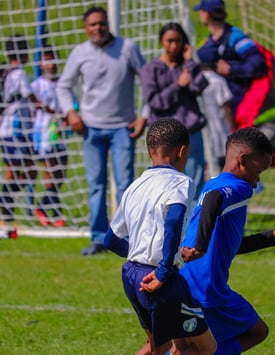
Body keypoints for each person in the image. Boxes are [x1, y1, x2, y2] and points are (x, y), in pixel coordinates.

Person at [179, 127, 275, 354]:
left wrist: (273, 237)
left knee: (189, 346)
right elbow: (214, 202)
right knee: (256, 332)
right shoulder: (239, 188)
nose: (258, 179)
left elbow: (230, 245)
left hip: (187, 280)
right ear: (243, 160)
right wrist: (200, 247)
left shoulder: (213, 184)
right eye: (260, 170)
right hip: (208, 289)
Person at [104, 117, 217, 355]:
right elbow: (174, 221)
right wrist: (164, 270)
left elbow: (111, 240)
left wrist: (141, 253)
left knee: (160, 347)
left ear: (149, 151)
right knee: (205, 347)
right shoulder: (181, 182)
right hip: (160, 278)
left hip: (132, 275)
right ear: (182, 151)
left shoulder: (134, 186)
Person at [57, 6, 148, 255]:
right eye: (93, 24)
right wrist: (70, 112)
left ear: (108, 24)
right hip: (91, 129)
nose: (98, 28)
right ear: (86, 28)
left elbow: (149, 82)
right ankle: (99, 238)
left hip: (123, 129)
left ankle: (127, 237)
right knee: (96, 186)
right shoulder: (79, 53)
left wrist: (144, 116)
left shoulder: (128, 48)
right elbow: (63, 87)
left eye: (101, 23)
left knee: (125, 185)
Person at [139, 22, 208, 202]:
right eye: (169, 41)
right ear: (161, 41)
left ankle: (193, 227)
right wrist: (178, 86)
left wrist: (190, 62)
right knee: (165, 184)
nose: (174, 46)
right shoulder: (151, 69)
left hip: (191, 132)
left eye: (178, 41)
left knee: (195, 182)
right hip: (165, 138)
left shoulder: (187, 67)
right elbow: (154, 102)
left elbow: (200, 86)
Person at [193, 0, 267, 117]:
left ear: (206, 14)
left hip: (240, 104)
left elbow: (259, 64)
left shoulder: (235, 37)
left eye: (201, 11)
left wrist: (231, 69)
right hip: (217, 105)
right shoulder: (208, 41)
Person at [0, 34, 42, 223]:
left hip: (7, 130)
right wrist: (48, 109)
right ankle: (5, 203)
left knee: (15, 170)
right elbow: (30, 97)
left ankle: (6, 207)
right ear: (24, 54)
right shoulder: (20, 74)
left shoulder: (5, 73)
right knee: (27, 169)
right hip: (16, 130)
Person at [31, 46, 69, 227]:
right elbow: (32, 108)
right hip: (44, 134)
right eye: (47, 61)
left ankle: (43, 207)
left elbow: (72, 105)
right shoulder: (37, 85)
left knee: (60, 174)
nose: (51, 65)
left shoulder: (63, 84)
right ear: (41, 64)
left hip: (60, 133)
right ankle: (54, 212)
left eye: (53, 60)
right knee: (50, 173)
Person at [201, 64, 235, 171]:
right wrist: (234, 129)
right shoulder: (217, 80)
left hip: (203, 136)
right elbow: (226, 108)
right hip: (220, 133)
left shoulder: (193, 78)